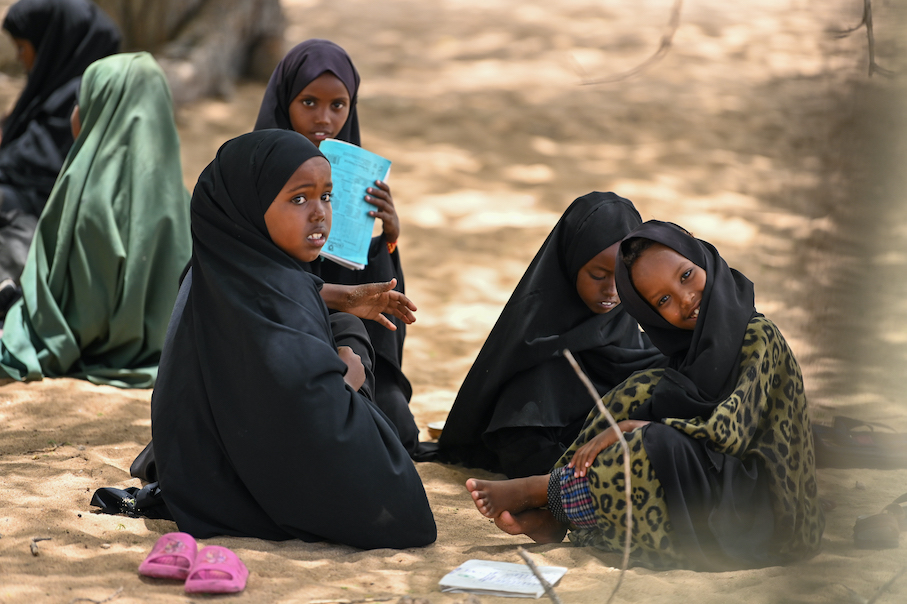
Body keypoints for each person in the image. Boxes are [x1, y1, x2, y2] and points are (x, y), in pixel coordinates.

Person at [465, 220, 824, 570]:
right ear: (652, 316)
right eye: (663, 299)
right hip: (713, 487)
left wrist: (636, 427)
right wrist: (631, 418)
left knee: (652, 443)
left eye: (686, 275)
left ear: (702, 259)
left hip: (764, 509)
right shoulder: (689, 354)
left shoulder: (759, 336)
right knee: (634, 393)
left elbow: (728, 432)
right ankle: (560, 515)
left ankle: (545, 492)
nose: (685, 299)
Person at [150, 129, 436, 549]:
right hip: (236, 485)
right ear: (251, 204)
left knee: (346, 325)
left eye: (326, 196)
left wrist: (343, 298)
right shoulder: (278, 298)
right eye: (299, 199)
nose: (319, 213)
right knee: (399, 500)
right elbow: (310, 418)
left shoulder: (217, 266)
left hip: (198, 467)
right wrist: (350, 375)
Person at [253, 39, 430, 459]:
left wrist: (386, 235)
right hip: (276, 333)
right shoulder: (252, 172)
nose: (324, 119)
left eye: (339, 105)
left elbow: (364, 280)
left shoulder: (355, 178)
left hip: (344, 329)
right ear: (284, 101)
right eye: (309, 102)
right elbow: (249, 271)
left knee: (395, 423)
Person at [437, 192, 665, 477]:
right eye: (598, 275)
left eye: (622, 276)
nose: (611, 290)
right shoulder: (539, 351)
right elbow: (521, 448)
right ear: (570, 262)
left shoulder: (645, 352)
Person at [0, 52, 191, 388]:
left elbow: (79, 317)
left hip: (90, 344)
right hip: (166, 347)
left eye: (82, 102)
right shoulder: (185, 200)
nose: (75, 114)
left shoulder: (86, 196)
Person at [0, 0, 120, 303]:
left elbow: (38, 165)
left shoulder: (82, 94)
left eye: (23, 46)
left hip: (47, 206)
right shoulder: (58, 85)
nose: (20, 57)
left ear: (50, 43)